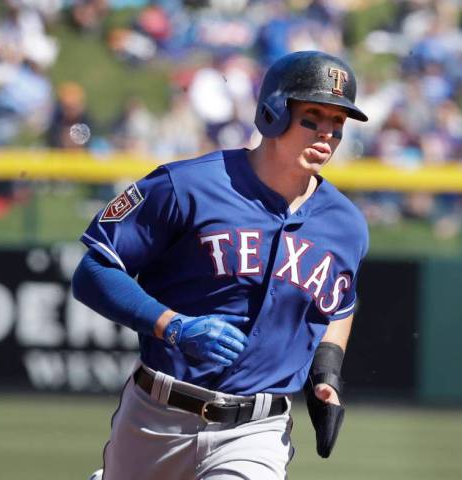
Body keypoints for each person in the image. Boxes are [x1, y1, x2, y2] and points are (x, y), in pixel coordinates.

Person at [72, 50, 369, 480]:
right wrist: (173, 325)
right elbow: (94, 270)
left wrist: (326, 373)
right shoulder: (186, 186)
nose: (326, 134)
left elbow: (340, 306)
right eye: (312, 117)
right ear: (273, 114)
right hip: (156, 416)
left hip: (257, 429)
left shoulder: (346, 226)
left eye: (337, 124)